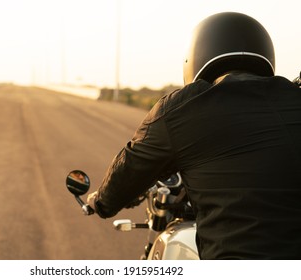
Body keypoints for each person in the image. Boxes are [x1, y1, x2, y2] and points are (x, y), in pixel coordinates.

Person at [86, 12, 301, 259]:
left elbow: (130, 167)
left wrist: (101, 203)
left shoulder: (180, 109)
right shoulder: (294, 98)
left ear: (197, 55)